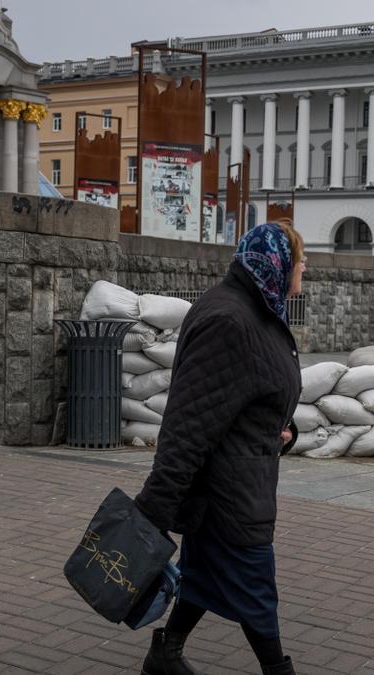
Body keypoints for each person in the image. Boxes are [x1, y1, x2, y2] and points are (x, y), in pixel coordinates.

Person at [135, 219, 305, 675]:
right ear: (276, 263)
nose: (304, 267)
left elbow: (245, 396)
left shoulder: (254, 308)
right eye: (299, 259)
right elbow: (189, 423)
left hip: (238, 477)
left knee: (205, 574)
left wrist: (279, 430)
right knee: (255, 587)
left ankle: (166, 652)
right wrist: (156, 507)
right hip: (229, 493)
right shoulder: (231, 320)